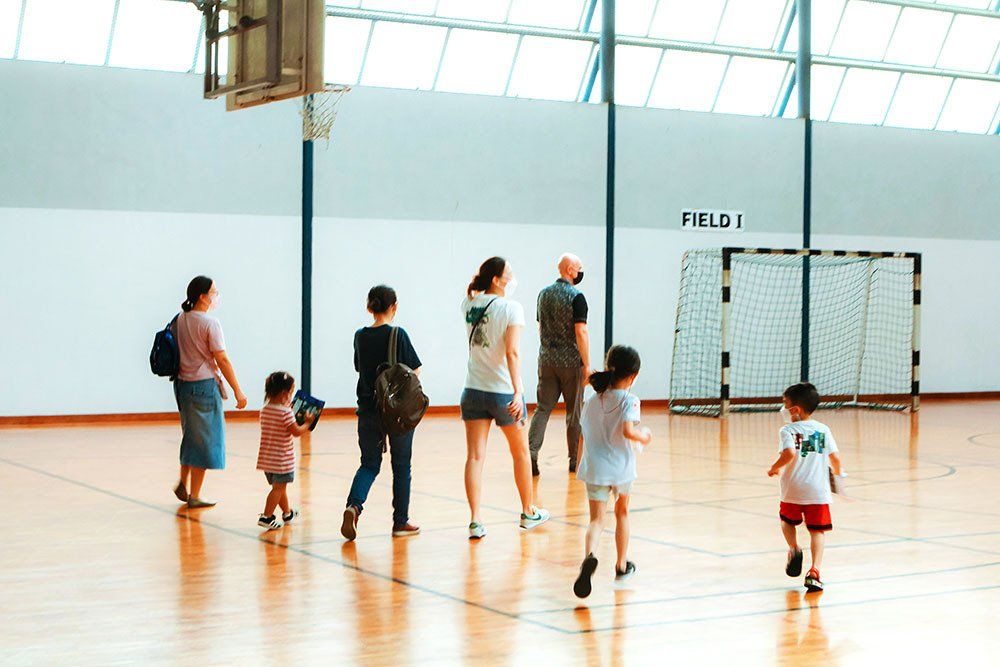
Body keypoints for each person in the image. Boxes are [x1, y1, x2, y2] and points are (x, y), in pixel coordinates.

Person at [461, 257, 550, 539]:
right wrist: (519, 390)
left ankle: (475, 520)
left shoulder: (468, 304)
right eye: (509, 274)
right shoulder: (512, 308)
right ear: (496, 280)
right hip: (503, 392)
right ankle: (528, 511)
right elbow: (512, 352)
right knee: (521, 453)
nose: (513, 278)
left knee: (475, 456)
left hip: (473, 390)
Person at [341, 285, 422, 541]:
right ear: (394, 307)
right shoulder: (398, 334)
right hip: (396, 413)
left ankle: (354, 507)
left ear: (369, 307)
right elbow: (415, 371)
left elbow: (358, 367)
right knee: (401, 466)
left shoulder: (359, 336)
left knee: (369, 464)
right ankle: (400, 523)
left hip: (367, 409)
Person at [573, 345, 652, 599]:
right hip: (621, 468)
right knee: (622, 513)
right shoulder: (630, 400)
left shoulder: (592, 400)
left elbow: (583, 433)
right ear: (633, 376)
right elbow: (629, 431)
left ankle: (590, 556)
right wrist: (645, 436)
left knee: (596, 520)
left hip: (595, 467)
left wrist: (578, 462)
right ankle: (620, 565)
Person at [172, 275, 247, 508]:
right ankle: (195, 494)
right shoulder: (210, 324)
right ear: (203, 297)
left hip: (183, 385)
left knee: (191, 436)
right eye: (214, 292)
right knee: (205, 441)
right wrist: (238, 391)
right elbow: (221, 358)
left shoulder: (180, 320)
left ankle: (183, 483)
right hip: (204, 386)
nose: (216, 296)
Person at [767, 382, 843, 592]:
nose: (783, 408)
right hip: (818, 491)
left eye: (785, 404)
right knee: (817, 531)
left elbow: (789, 453)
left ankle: (794, 549)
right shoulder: (823, 430)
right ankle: (814, 571)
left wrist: (774, 467)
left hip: (793, 489)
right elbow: (835, 458)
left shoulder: (787, 430)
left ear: (795, 410)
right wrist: (837, 472)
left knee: (787, 521)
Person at [528, 253, 592, 476]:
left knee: (542, 409)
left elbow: (540, 327)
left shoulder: (543, 295)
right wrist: (587, 364)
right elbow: (581, 332)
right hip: (571, 362)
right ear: (570, 270)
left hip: (546, 360)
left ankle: (532, 453)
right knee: (574, 413)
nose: (581, 272)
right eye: (580, 268)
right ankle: (574, 460)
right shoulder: (577, 297)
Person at [256, 371, 314, 530]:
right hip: (282, 460)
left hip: (267, 459)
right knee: (278, 489)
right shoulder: (286, 413)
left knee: (279, 488)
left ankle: (287, 513)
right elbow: (296, 432)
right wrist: (308, 423)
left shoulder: (265, 410)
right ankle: (266, 517)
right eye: (290, 392)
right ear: (284, 393)